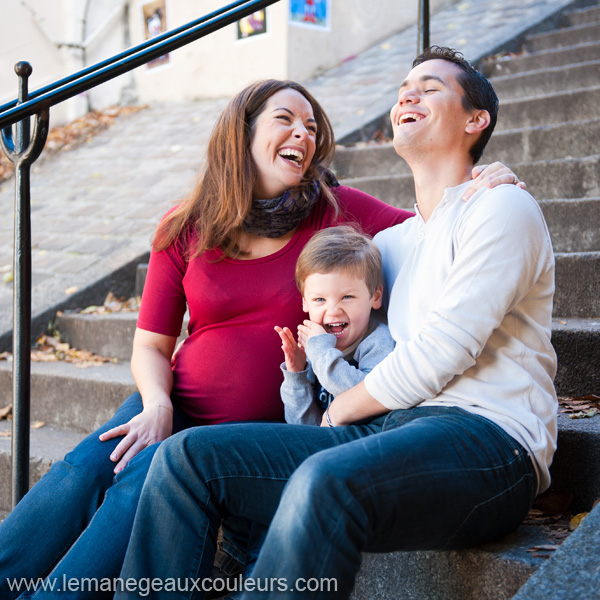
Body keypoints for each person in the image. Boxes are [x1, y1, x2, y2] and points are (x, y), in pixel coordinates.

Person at [0, 78, 520, 598]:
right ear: (242, 132)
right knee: (81, 472)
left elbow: (433, 230)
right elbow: (152, 344)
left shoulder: (336, 212)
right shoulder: (186, 225)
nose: (304, 134)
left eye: (312, 127)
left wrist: (484, 179)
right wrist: (156, 403)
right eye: (286, 120)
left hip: (254, 430)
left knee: (134, 491)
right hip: (174, 402)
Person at [115, 47, 556, 600]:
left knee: (323, 481)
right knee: (187, 458)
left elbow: (449, 347)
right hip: (389, 430)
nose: (406, 95)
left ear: (475, 121)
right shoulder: (391, 245)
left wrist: (340, 410)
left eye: (430, 86)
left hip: (487, 441)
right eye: (402, 87)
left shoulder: (501, 209)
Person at [275, 225, 393, 426]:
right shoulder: (315, 345)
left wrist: (321, 352)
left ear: (375, 297)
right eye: (319, 299)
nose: (333, 310)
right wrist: (297, 375)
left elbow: (364, 397)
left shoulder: (378, 342)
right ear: (305, 302)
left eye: (347, 297)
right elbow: (303, 426)